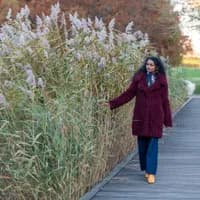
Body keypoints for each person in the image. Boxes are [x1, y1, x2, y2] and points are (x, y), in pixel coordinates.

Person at [105, 56, 172, 184]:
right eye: (147, 64)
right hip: (141, 116)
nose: (149, 67)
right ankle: (146, 168)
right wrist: (112, 104)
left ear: (157, 66)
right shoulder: (139, 79)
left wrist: (167, 119)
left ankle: (151, 172)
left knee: (153, 144)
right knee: (142, 145)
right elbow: (128, 94)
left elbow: (165, 100)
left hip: (155, 117)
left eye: (152, 65)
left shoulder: (162, 81)